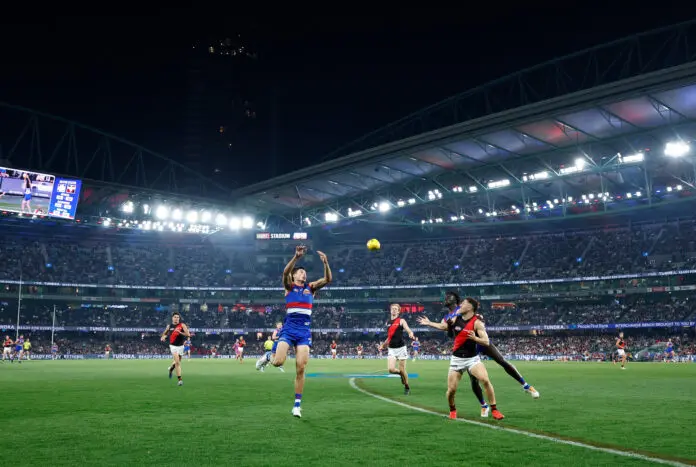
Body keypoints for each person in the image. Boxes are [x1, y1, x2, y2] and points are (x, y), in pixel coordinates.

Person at [419, 297, 504, 420]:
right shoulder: (455, 319)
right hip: (457, 360)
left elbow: (486, 341)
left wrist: (475, 339)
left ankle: (495, 410)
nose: (460, 306)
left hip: (472, 359)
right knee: (451, 390)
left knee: (485, 380)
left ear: (470, 307)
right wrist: (429, 323)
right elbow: (444, 327)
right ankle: (452, 409)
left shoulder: (477, 322)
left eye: (463, 304)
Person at [271, 245, 332, 418]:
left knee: (301, 368)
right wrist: (296, 257)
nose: (303, 274)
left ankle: (297, 405)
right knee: (278, 363)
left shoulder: (311, 287)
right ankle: (269, 356)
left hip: (304, 332)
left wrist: (326, 262)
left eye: (304, 272)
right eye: (300, 272)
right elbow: (284, 273)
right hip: (289, 329)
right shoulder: (289, 286)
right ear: (294, 275)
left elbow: (327, 279)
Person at [379, 304, 415, 395]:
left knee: (402, 369)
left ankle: (407, 386)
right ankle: (401, 374)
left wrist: (410, 333)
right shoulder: (387, 322)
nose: (394, 310)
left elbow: (408, 329)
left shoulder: (401, 320)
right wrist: (383, 345)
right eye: (392, 309)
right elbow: (389, 337)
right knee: (391, 369)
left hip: (401, 348)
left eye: (396, 309)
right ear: (390, 310)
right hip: (391, 348)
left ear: (399, 311)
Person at [160, 312, 190, 386]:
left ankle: (170, 369)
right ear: (172, 318)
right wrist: (163, 337)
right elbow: (164, 334)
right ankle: (180, 380)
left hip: (181, 346)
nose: (176, 318)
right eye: (175, 317)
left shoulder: (182, 325)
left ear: (179, 318)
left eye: (177, 317)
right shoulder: (169, 326)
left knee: (177, 361)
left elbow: (188, 334)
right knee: (177, 363)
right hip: (173, 346)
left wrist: (180, 332)